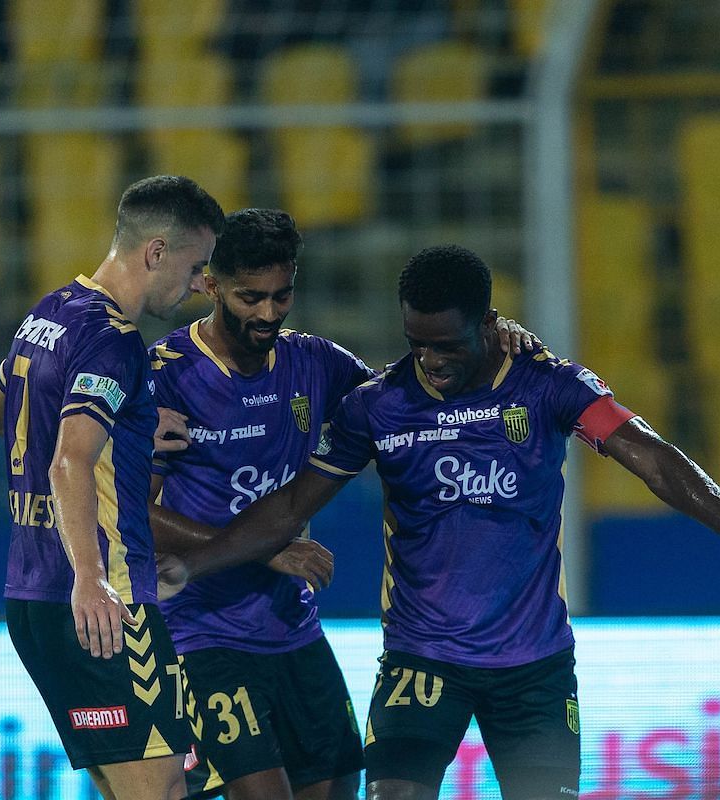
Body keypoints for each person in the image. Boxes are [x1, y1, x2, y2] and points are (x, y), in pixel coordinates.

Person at [169, 244, 720, 800]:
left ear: (489, 323)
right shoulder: (378, 407)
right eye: (417, 345)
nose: (432, 362)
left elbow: (646, 453)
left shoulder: (547, 386)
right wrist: (194, 563)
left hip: (532, 670)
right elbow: (288, 507)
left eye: (447, 346)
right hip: (422, 660)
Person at [146, 214, 539, 800]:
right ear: (210, 285)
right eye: (250, 297)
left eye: (282, 296)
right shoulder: (164, 377)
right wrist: (267, 550)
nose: (268, 312)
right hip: (200, 633)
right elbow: (130, 512)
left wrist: (488, 336)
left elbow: (409, 405)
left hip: (293, 632)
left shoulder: (316, 362)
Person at [0, 175, 229, 800]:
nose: (201, 284)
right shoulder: (115, 342)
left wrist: (133, 422)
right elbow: (70, 463)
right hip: (103, 598)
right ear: (156, 252)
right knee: (165, 789)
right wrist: (91, 577)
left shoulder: (51, 311)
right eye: (197, 266)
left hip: (30, 594)